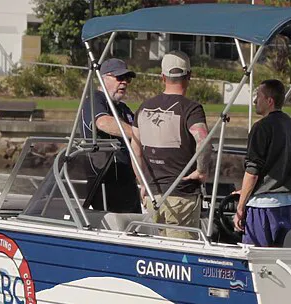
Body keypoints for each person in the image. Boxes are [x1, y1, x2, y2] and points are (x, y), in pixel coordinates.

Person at [132, 50, 210, 239]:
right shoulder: (191, 108)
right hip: (182, 196)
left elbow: (135, 149)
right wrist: (201, 170)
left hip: (153, 195)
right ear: (189, 76)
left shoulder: (144, 108)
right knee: (181, 256)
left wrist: (142, 182)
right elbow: (204, 141)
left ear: (162, 77)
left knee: (160, 253)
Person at [233, 79, 291, 247]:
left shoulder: (261, 127)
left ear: (269, 101)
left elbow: (253, 171)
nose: (255, 100)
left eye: (258, 96)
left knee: (256, 256)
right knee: (279, 256)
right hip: (287, 204)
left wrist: (241, 206)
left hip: (263, 206)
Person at [81, 58, 141, 213]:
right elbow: (103, 122)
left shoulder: (123, 108)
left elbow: (138, 128)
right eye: (119, 78)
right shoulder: (95, 100)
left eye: (127, 79)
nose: (124, 83)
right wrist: (139, 134)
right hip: (104, 183)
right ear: (103, 77)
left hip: (127, 183)